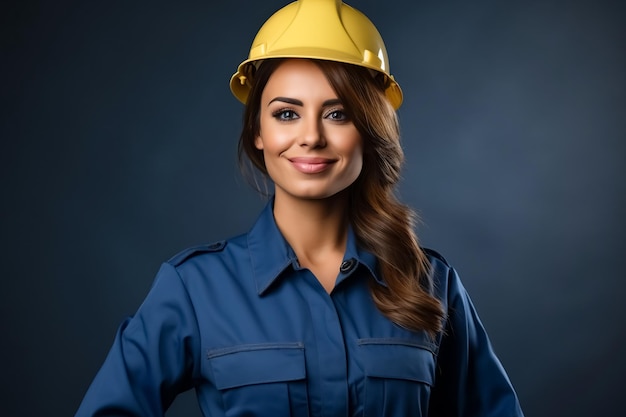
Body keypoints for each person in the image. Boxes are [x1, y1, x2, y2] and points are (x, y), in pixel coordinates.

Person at [76, 0, 524, 416]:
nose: (310, 136)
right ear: (258, 131)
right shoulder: (193, 288)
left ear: (369, 131)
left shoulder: (433, 285)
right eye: (287, 113)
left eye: (338, 113)